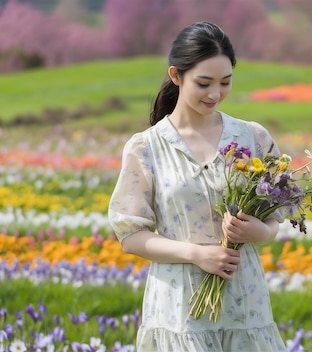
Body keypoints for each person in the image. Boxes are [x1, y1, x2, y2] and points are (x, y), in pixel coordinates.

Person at [108, 21, 287, 351]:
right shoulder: (146, 148)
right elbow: (131, 236)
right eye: (204, 83)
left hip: (245, 307)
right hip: (179, 311)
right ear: (176, 76)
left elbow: (275, 219)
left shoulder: (253, 138)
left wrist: (259, 233)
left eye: (225, 82)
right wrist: (196, 254)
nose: (215, 94)